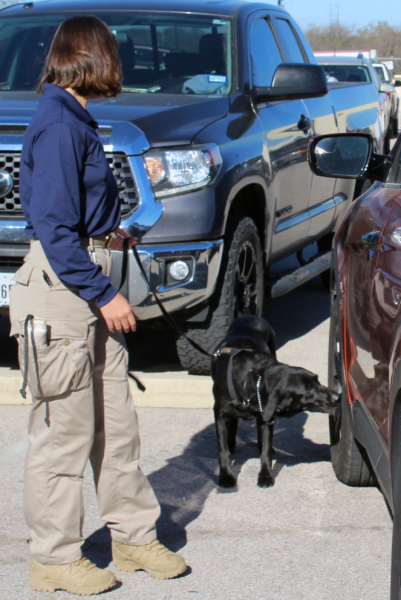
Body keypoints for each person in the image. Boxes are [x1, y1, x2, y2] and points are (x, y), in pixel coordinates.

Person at [9, 16, 186, 596]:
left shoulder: (73, 120)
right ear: (93, 57)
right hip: (65, 293)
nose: (122, 62)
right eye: (115, 52)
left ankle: (134, 537)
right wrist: (104, 291)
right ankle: (54, 557)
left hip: (82, 278)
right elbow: (55, 232)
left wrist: (114, 233)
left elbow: (75, 218)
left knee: (115, 426)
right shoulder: (59, 127)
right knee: (64, 431)